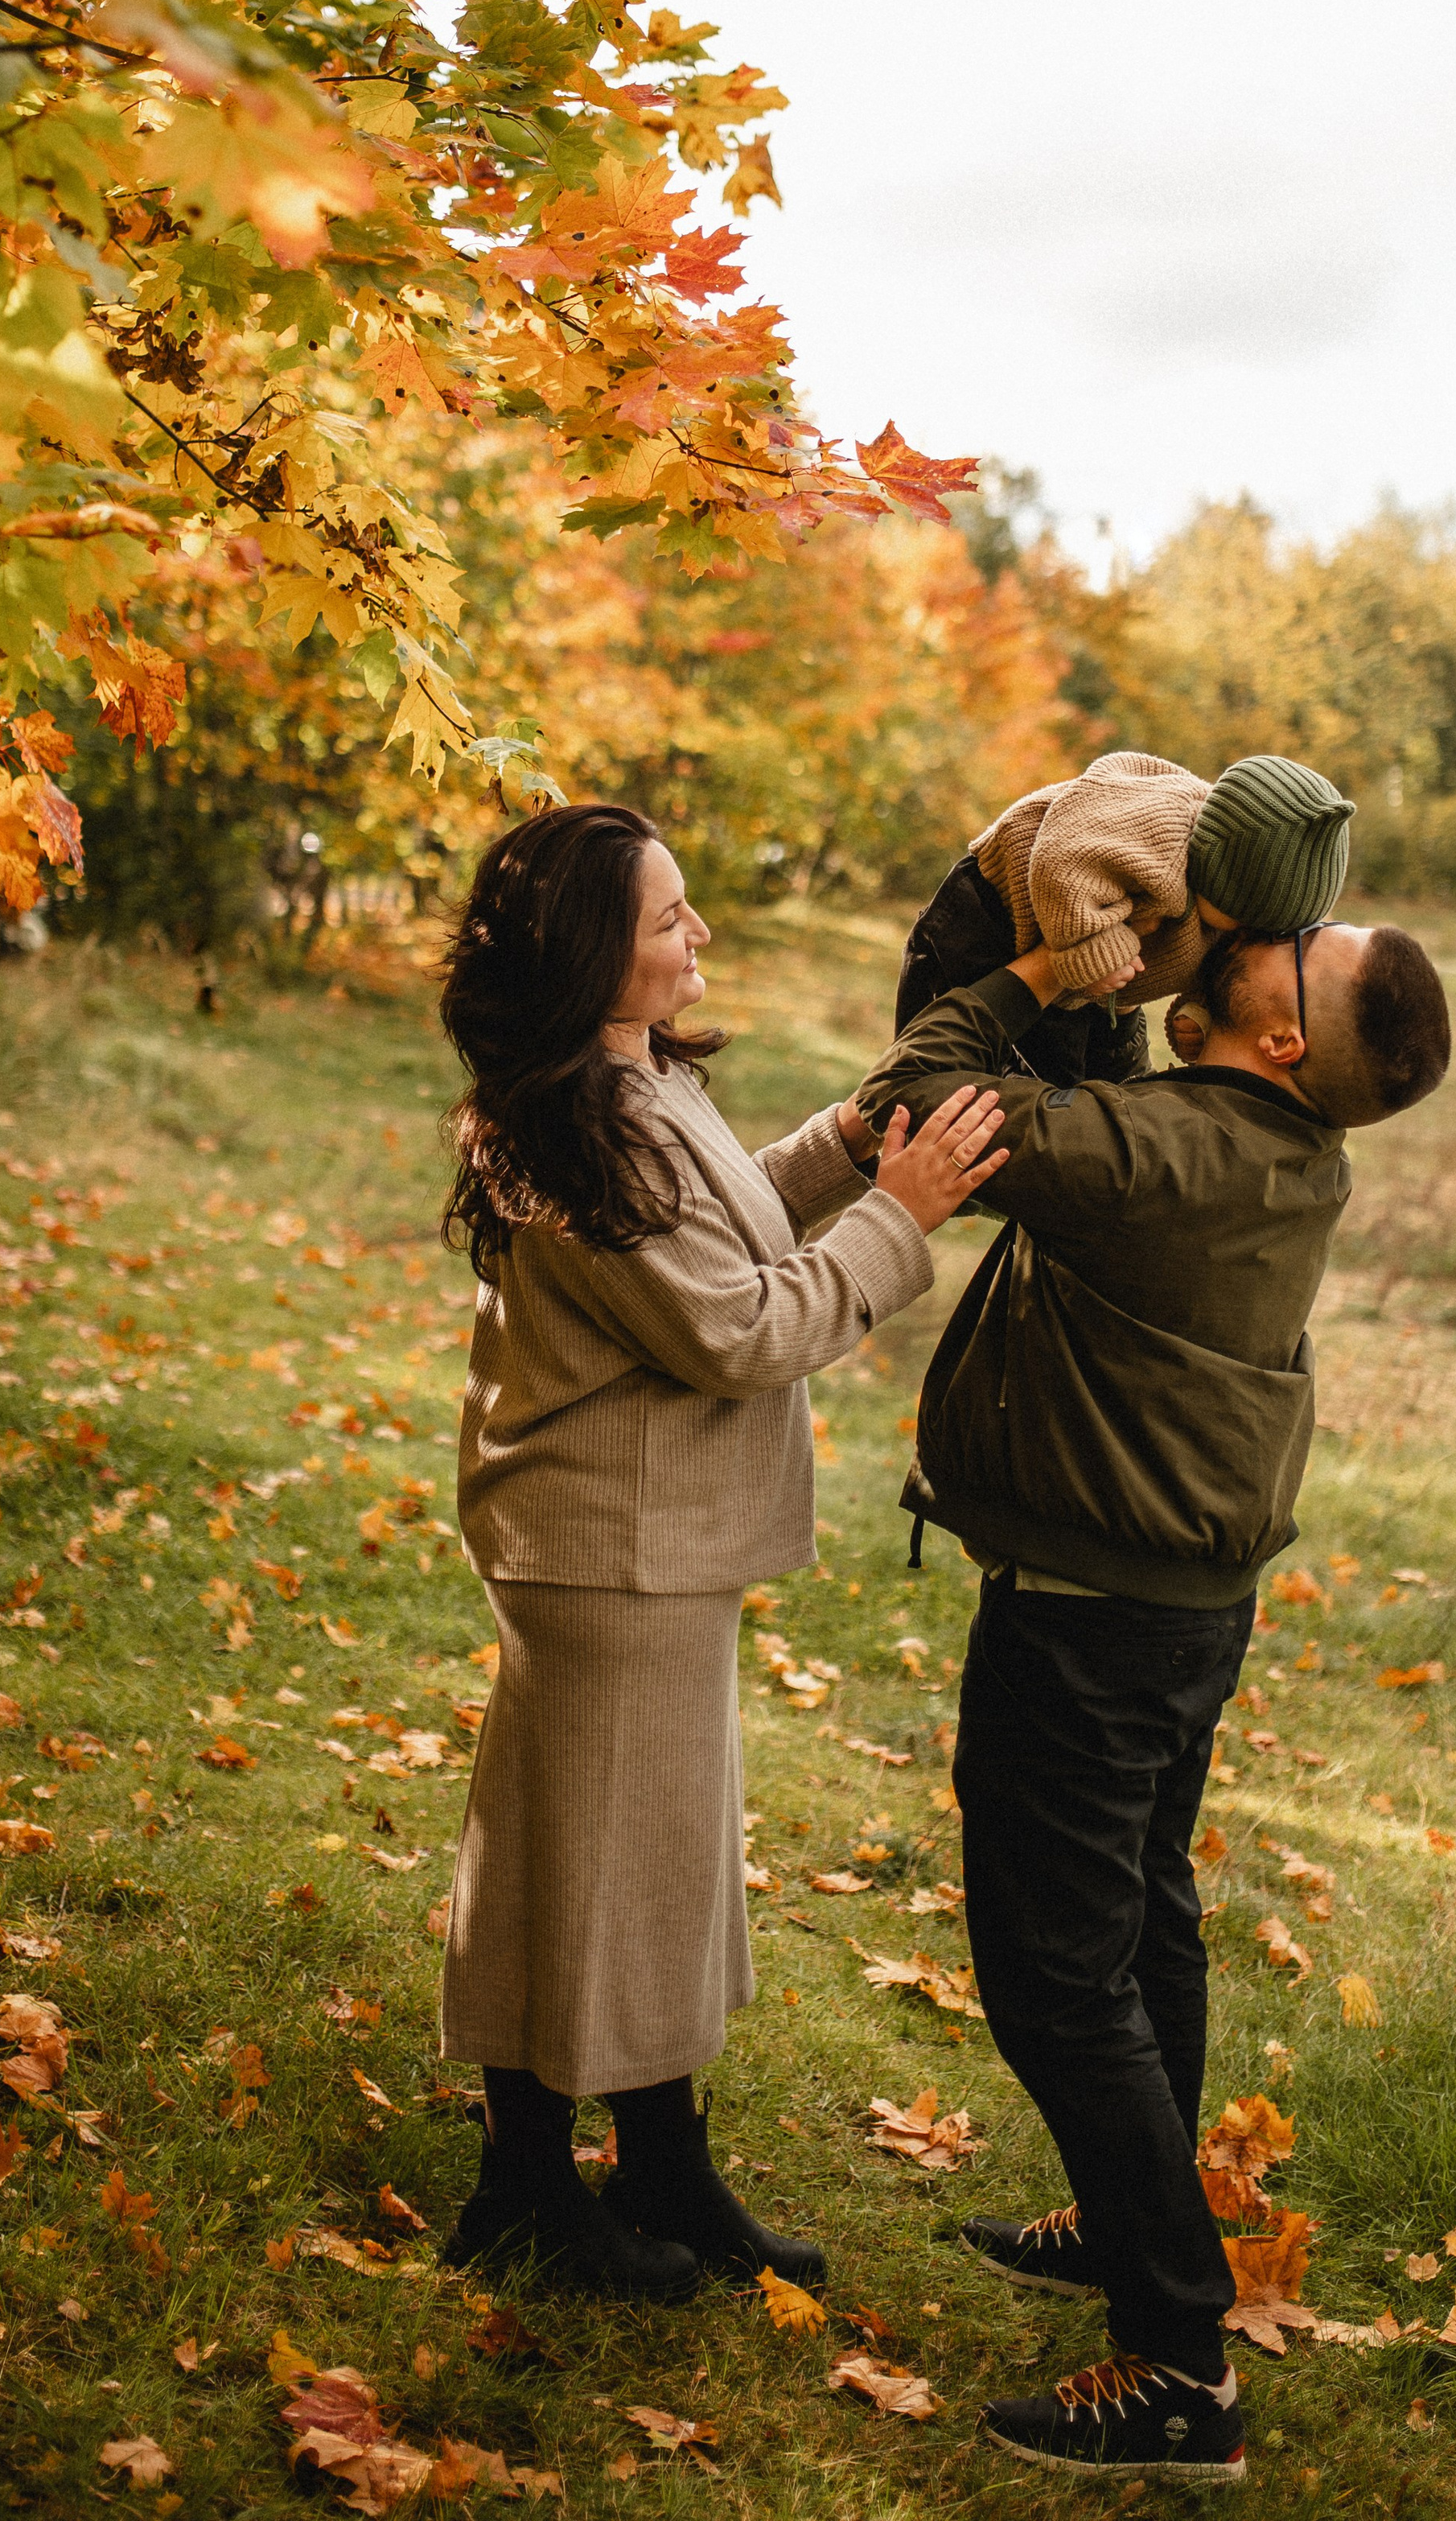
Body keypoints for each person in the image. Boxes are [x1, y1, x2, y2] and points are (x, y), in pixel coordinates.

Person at [854, 915, 1450, 2480]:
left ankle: (1177, 2363)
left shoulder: (1182, 1158)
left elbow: (925, 1092)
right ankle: (1129, 2221)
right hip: (1173, 1610)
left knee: (1055, 1974)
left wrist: (1040, 974)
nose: (1273, 932)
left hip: (1089, 1628)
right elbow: (1106, 1106)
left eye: (1298, 950)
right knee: (1139, 1921)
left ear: (1274, 1041)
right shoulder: (1253, 1138)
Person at [435, 801, 1008, 2301]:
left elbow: (724, 1213)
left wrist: (845, 1148)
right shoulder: (578, 1125)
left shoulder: (622, 1085)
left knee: (638, 1863)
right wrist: (901, 1215)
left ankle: (660, 2166)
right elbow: (741, 1323)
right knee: (603, 1873)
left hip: (634, 1550)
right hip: (606, 1551)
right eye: (667, 918)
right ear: (589, 955)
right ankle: (531, 2189)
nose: (698, 936)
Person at [894, 748, 1357, 1092]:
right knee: (944, 1067)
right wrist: (1100, 950)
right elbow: (1062, 862)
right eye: (1243, 921)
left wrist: (1198, 1016)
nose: (1238, 937)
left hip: (1084, 989)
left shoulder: (1224, 918)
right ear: (1219, 876)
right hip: (992, 916)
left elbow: (1214, 969)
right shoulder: (1161, 833)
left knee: (1057, 1090)